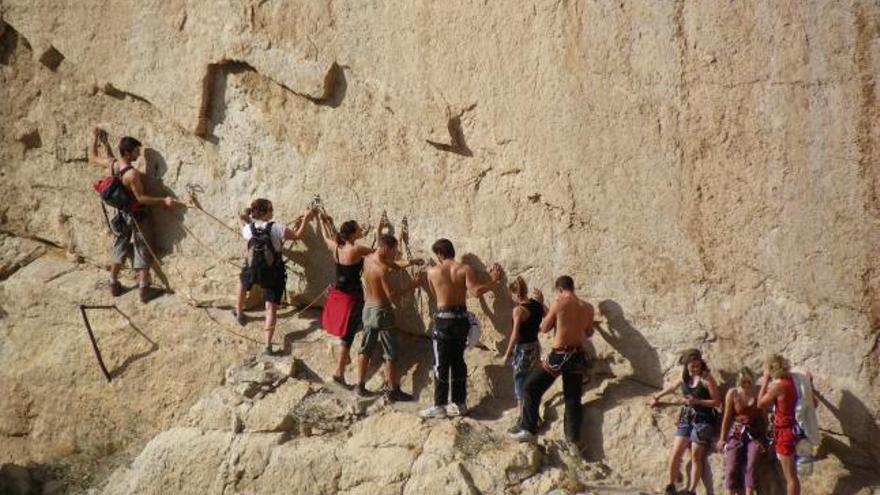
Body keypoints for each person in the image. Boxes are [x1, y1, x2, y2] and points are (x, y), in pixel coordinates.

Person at [88, 127, 181, 303]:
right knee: (142, 247)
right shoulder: (132, 174)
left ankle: (113, 282)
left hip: (119, 214)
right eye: (136, 151)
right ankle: (143, 288)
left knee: (120, 245)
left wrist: (96, 139)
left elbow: (92, 156)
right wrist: (164, 201)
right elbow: (141, 198)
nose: (138, 154)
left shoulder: (111, 164)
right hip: (137, 215)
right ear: (128, 153)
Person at [420, 238, 502, 418]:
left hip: (443, 319)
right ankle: (459, 403)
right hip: (461, 320)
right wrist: (494, 281)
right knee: (458, 361)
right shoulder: (465, 269)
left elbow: (435, 297)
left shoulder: (432, 272)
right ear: (452, 251)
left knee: (441, 363)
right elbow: (475, 292)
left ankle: (439, 405)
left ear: (440, 254)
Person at [508, 276, 593, 445]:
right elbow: (589, 332)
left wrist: (545, 308)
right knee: (572, 398)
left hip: (560, 355)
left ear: (560, 289)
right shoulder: (587, 307)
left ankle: (528, 428)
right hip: (577, 355)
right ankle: (572, 440)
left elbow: (544, 328)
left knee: (531, 386)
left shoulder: (559, 302)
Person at [234, 198, 315, 355]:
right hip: (273, 272)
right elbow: (298, 236)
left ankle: (238, 312)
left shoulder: (249, 228)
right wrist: (306, 218)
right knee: (270, 308)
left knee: (243, 281)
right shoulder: (277, 228)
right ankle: (267, 346)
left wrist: (239, 217)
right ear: (265, 213)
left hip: (253, 269)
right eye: (271, 210)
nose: (273, 212)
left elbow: (242, 228)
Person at [357, 234, 424, 401]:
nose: (396, 254)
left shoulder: (368, 259)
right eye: (394, 250)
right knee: (390, 353)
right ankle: (393, 389)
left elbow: (393, 264)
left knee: (365, 348)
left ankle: (359, 385)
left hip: (368, 309)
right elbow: (392, 295)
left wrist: (411, 263)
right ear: (387, 248)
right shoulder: (382, 269)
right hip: (382, 312)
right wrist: (413, 286)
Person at [647, 349, 722, 495]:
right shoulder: (684, 377)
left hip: (703, 419)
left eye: (697, 365)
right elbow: (671, 387)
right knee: (676, 452)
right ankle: (670, 486)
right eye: (692, 366)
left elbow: (717, 402)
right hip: (687, 417)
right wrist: (656, 397)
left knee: (696, 455)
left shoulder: (707, 379)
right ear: (686, 365)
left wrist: (698, 401)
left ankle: (691, 490)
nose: (695, 369)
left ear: (701, 364)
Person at [318, 215, 374, 388]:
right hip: (353, 298)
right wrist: (378, 231)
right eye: (358, 230)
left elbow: (325, 237)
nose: (361, 231)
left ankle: (340, 369)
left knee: (346, 333)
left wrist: (322, 220)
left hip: (339, 295)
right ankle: (339, 372)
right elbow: (376, 252)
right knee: (348, 336)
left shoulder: (336, 248)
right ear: (352, 234)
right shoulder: (355, 250)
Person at [757, 354, 801, 495]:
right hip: (793, 428)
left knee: (790, 477)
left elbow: (760, 403)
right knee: (792, 475)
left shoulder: (779, 386)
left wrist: (764, 382)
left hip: (784, 431)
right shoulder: (792, 381)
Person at [500, 276, 547, 411]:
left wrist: (507, 354)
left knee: (520, 383)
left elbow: (515, 334)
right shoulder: (536, 304)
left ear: (515, 293)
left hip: (523, 350)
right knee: (532, 381)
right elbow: (549, 316)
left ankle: (522, 418)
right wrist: (541, 302)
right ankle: (533, 415)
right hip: (535, 346)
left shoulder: (519, 310)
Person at [718, 367, 765, 495]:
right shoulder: (733, 393)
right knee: (732, 463)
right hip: (737, 430)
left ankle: (749, 492)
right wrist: (722, 439)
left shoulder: (757, 392)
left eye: (749, 382)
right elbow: (727, 417)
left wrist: (766, 438)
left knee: (752, 461)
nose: (746, 385)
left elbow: (763, 416)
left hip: (754, 431)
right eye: (743, 382)